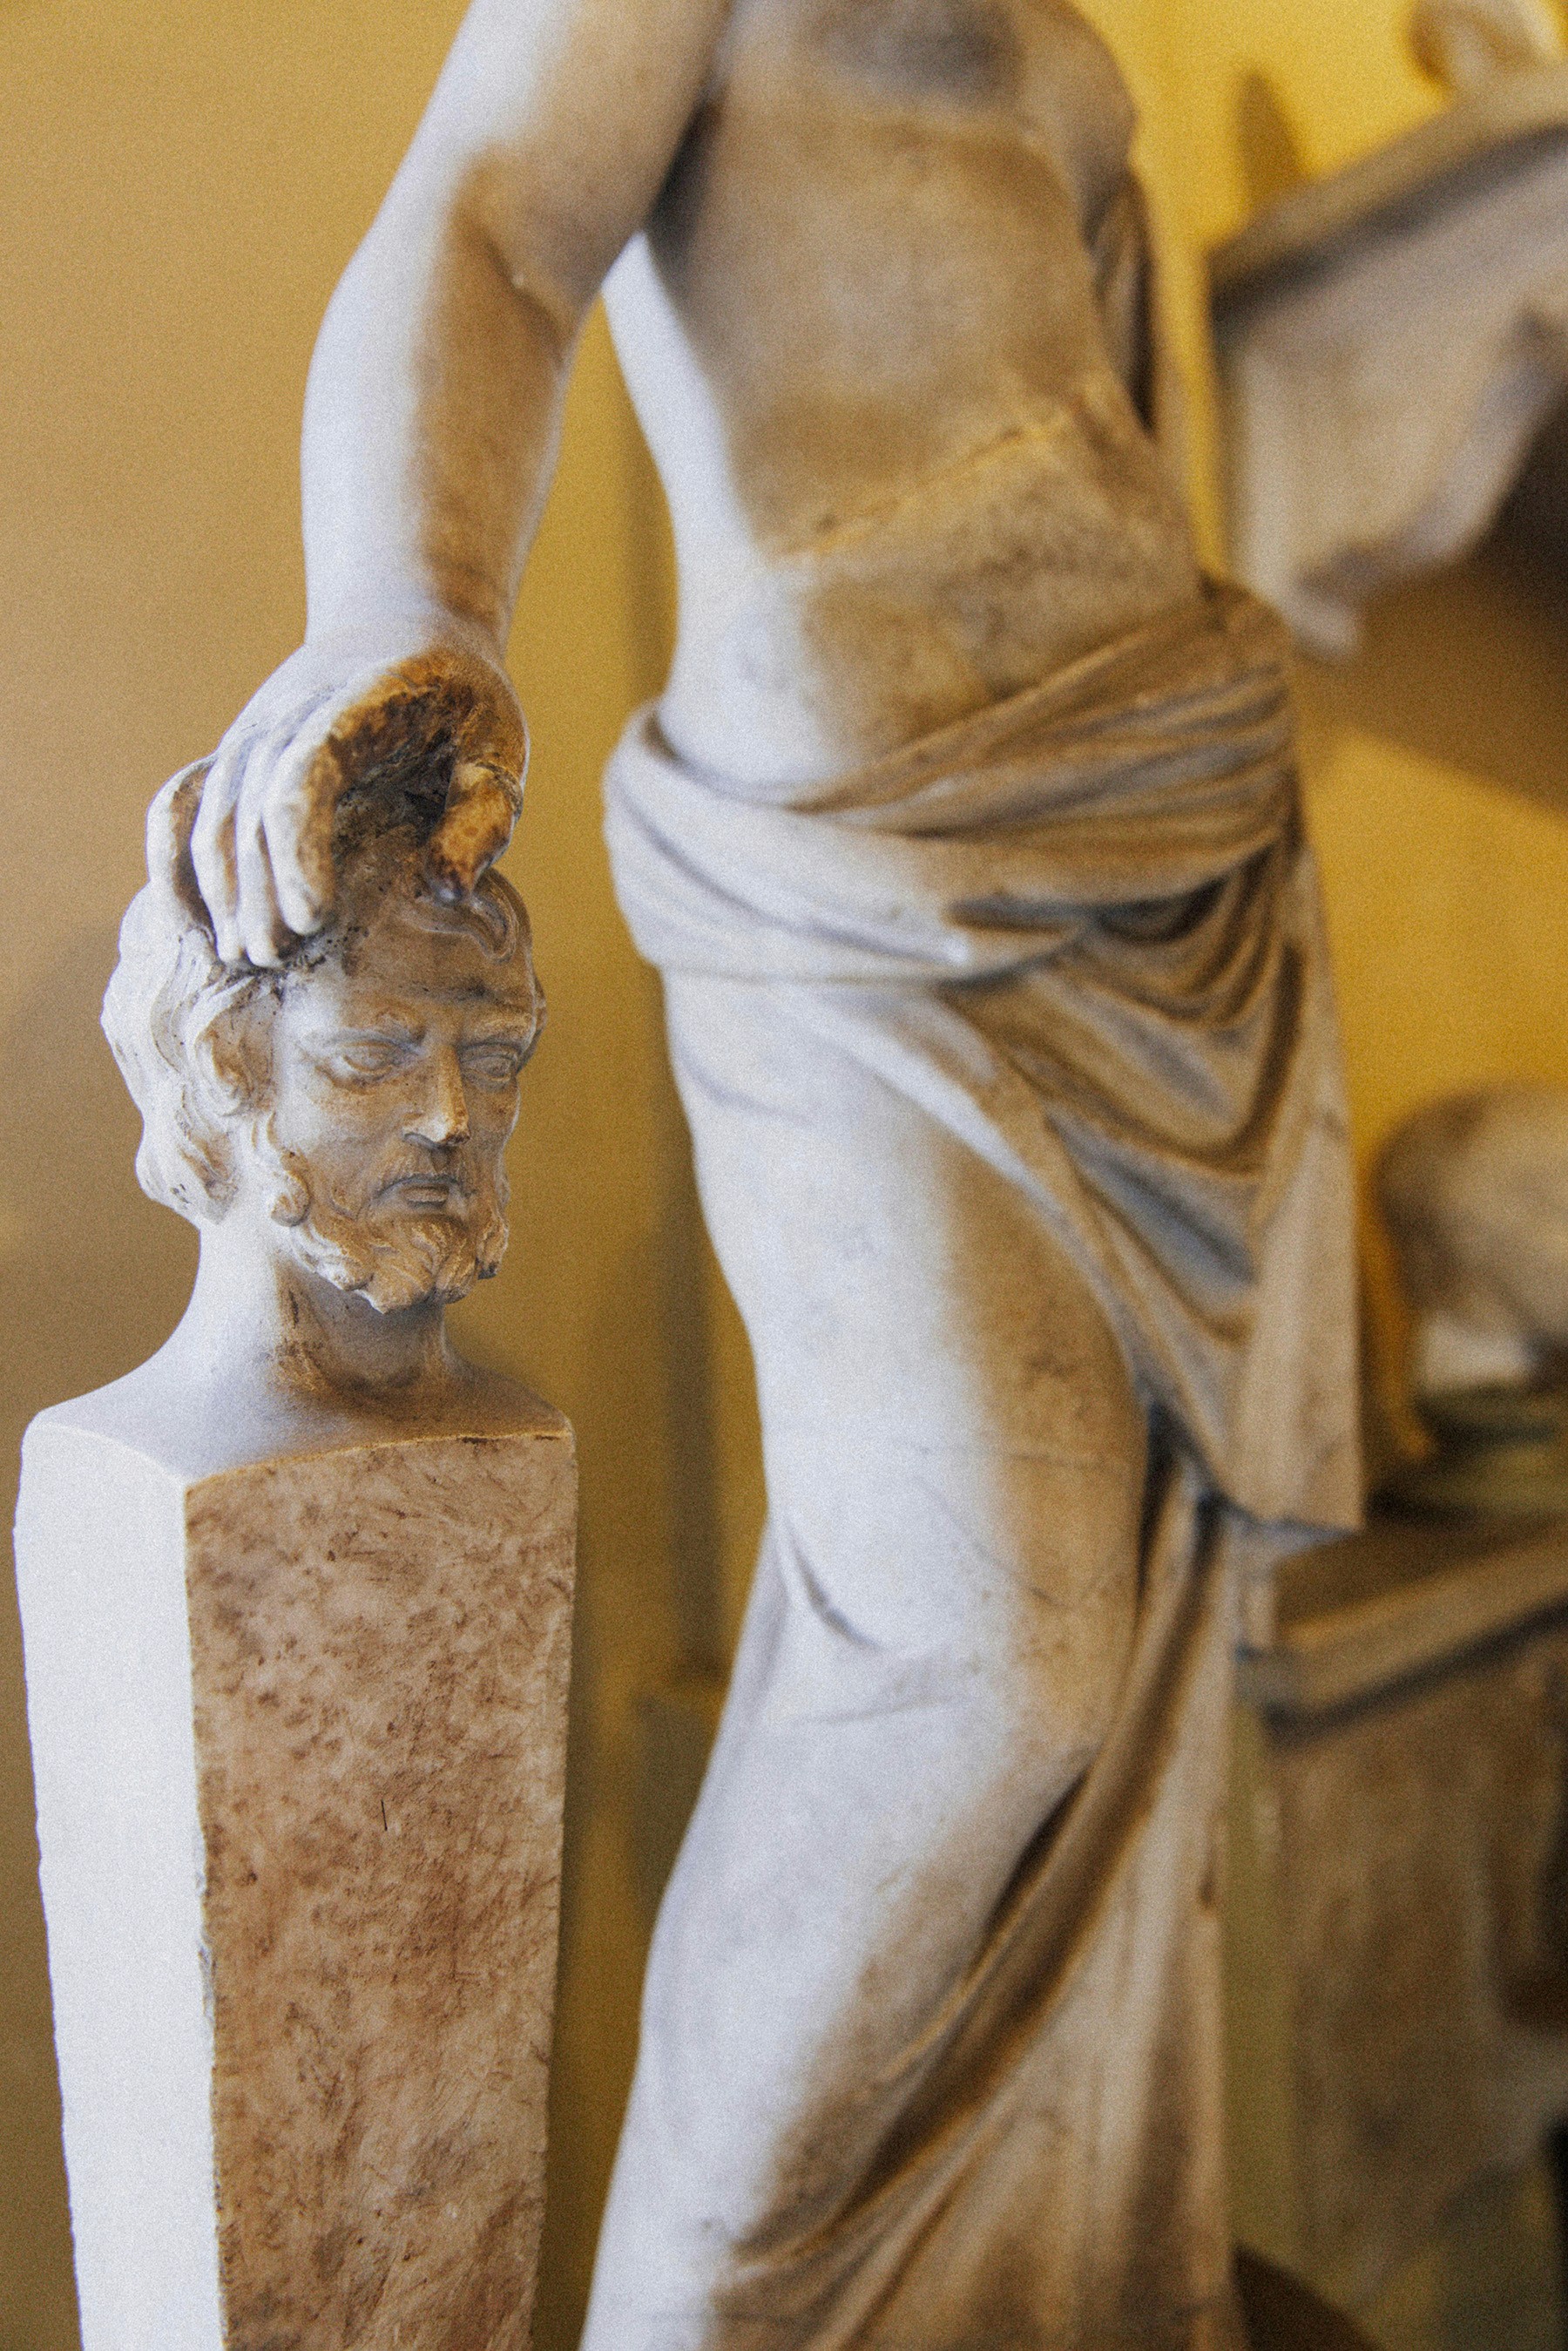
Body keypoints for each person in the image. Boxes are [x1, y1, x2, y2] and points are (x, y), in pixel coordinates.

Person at [174, 2, 1362, 2341]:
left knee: (1127, 1662)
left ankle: (1071, 2281)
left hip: (1175, 817)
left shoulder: (1077, 34)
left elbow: (1112, 387)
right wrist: (402, 603)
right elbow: (496, 232)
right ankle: (703, 2317)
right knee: (974, 1652)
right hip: (865, 841)